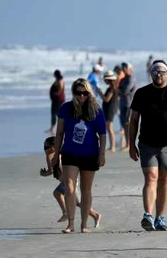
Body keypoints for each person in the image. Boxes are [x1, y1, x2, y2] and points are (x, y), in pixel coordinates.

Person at [129, 60, 167, 232]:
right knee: (150, 177)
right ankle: (148, 215)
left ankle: (160, 218)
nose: (159, 74)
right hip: (147, 142)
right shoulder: (142, 93)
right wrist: (131, 144)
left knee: (164, 179)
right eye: (156, 72)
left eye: (162, 72)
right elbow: (133, 120)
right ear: (151, 74)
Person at [51, 78, 107, 234]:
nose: (81, 96)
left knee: (86, 189)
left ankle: (84, 224)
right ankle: (70, 223)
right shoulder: (66, 109)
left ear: (89, 93)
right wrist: (56, 155)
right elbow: (60, 132)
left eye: (85, 93)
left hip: (90, 154)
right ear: (73, 93)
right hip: (70, 152)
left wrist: (102, 154)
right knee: (69, 186)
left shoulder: (96, 110)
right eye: (78, 93)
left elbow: (102, 134)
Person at [40, 137, 101, 225]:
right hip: (70, 180)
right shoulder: (61, 154)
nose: (45, 150)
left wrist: (44, 174)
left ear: (51, 148)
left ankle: (92, 215)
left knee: (74, 200)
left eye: (45, 148)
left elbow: (51, 170)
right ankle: (93, 215)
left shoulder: (50, 155)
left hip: (68, 181)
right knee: (63, 196)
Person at [97, 70, 120, 153]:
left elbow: (107, 99)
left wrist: (100, 93)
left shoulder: (112, 88)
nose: (104, 80)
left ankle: (112, 147)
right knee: (108, 128)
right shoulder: (112, 88)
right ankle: (111, 146)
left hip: (110, 109)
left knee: (109, 128)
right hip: (109, 109)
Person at [118, 63, 136, 151]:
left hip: (129, 104)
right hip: (122, 103)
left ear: (129, 68)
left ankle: (130, 145)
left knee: (129, 125)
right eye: (123, 68)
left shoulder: (131, 78)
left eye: (125, 68)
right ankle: (127, 144)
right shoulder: (123, 79)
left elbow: (125, 90)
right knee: (124, 125)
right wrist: (121, 91)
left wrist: (121, 91)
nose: (124, 69)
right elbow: (118, 91)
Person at [47, 70, 65, 135]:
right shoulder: (57, 80)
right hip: (55, 100)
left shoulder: (60, 80)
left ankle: (61, 128)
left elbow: (60, 89)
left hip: (58, 100)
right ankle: (52, 128)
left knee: (58, 113)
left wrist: (56, 94)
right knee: (53, 113)